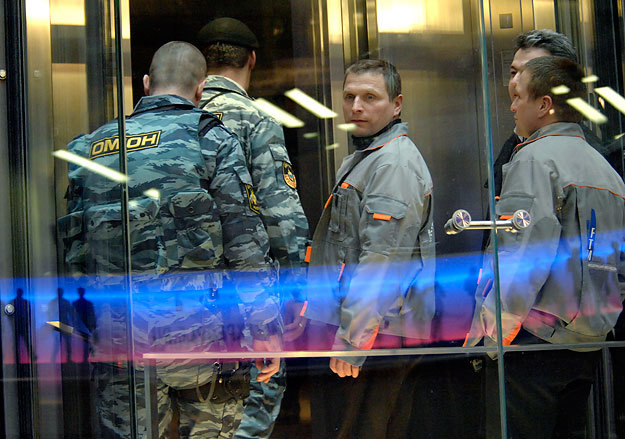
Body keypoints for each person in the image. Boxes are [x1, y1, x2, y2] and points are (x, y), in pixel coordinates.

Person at [57, 41, 281, 438]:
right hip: (204, 341)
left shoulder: (92, 147)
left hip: (119, 341)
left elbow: (74, 250)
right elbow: (245, 242)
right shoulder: (212, 139)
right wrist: (264, 328)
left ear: (146, 84)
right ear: (201, 88)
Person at [465, 56, 625, 438]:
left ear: (544, 105)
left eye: (518, 96)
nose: (512, 106)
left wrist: (491, 338)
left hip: (532, 342)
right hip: (588, 344)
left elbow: (522, 256)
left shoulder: (535, 158)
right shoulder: (606, 170)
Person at [303, 59, 435, 439]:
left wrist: (352, 341)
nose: (356, 107)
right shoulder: (371, 156)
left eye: (370, 97)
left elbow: (381, 261)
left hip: (379, 334)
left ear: (397, 105)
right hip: (370, 329)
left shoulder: (393, 164)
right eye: (349, 97)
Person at [196, 18, 310, 439]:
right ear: (253, 60)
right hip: (248, 302)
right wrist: (296, 293)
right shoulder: (256, 120)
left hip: (177, 304)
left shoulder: (175, 119)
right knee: (248, 413)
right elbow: (282, 217)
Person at [493, 29, 622, 199]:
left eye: (530, 73)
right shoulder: (515, 144)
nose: (516, 82)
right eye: (513, 72)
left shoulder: (591, 154)